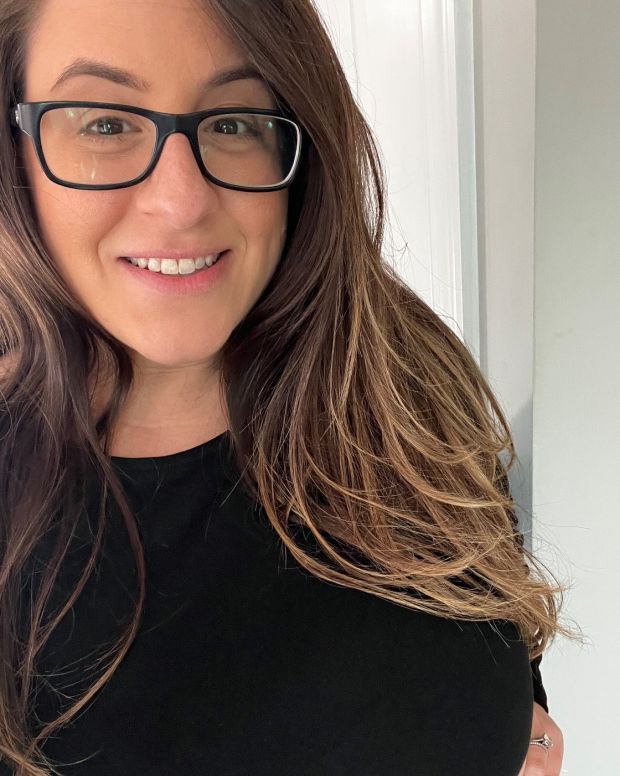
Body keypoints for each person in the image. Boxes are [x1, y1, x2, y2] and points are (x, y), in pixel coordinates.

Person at [0, 0, 580, 774]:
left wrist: (517, 715)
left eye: (234, 121)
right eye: (105, 123)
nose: (181, 201)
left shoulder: (398, 371)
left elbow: (491, 605)